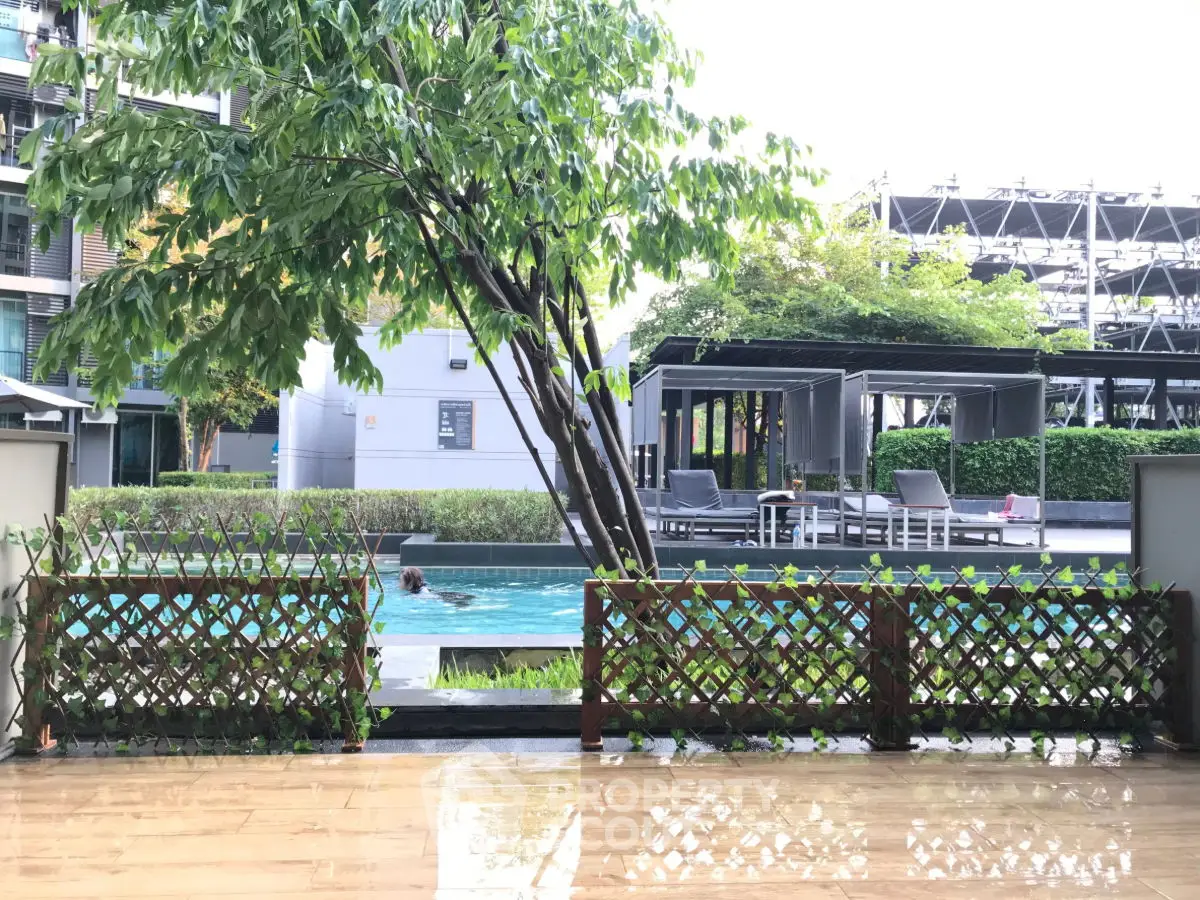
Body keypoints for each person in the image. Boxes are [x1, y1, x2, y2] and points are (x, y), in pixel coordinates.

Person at [400, 565, 475, 606]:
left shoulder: (417, 594)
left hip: (449, 599)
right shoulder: (420, 589)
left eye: (401, 581)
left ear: (409, 584)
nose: (399, 584)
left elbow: (428, 597)